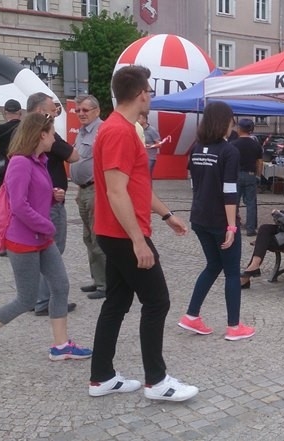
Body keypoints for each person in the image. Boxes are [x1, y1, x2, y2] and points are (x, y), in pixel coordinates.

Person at [87, 65, 198, 401]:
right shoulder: (119, 132)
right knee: (157, 301)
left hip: (115, 231)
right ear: (140, 94)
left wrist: (167, 215)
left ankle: (101, 377)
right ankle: (157, 381)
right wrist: (138, 240)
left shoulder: (119, 128)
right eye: (148, 90)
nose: (150, 95)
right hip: (123, 234)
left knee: (117, 302)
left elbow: (136, 186)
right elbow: (116, 191)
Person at [0, 112, 92, 367]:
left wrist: (53, 195)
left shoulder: (39, 160)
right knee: (26, 299)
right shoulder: (20, 162)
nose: (55, 138)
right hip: (23, 240)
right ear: (41, 135)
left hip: (41, 238)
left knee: (60, 286)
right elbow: (19, 205)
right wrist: (47, 225)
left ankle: (61, 345)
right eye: (52, 133)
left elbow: (33, 195)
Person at [178, 101, 255, 341]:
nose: (233, 123)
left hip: (199, 217)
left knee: (213, 265)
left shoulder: (196, 148)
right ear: (225, 121)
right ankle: (234, 326)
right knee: (232, 272)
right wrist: (231, 226)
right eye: (231, 119)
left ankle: (191, 315)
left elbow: (195, 183)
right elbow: (229, 190)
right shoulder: (229, 151)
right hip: (220, 220)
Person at [26, 93, 80, 316]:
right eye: (52, 110)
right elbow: (74, 156)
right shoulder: (45, 133)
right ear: (41, 112)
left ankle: (32, 298)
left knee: (38, 250)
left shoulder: (22, 132)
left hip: (40, 200)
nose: (56, 113)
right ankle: (44, 300)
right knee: (52, 250)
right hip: (49, 201)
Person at [240, 160, 284, 288]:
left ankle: (247, 275)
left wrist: (281, 212)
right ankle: (254, 266)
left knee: (263, 241)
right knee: (264, 229)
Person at [70, 95, 107, 300]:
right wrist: (79, 190)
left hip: (96, 190)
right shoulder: (82, 131)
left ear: (97, 111)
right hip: (84, 190)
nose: (81, 113)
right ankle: (97, 279)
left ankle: (105, 284)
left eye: (85, 110)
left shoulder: (102, 130)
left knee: (97, 237)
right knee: (88, 237)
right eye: (78, 110)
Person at [0, 99, 22, 206]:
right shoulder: (25, 128)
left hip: (4, 168)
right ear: (20, 112)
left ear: (5, 112)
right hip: (22, 167)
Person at [233, 118, 263, 236]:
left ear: (239, 129)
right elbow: (259, 162)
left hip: (236, 175)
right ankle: (250, 229)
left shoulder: (233, 144)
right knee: (251, 203)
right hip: (250, 175)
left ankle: (233, 226)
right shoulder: (256, 144)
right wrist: (258, 175)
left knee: (234, 202)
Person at [138, 112, 161, 177]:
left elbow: (159, 144)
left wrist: (150, 146)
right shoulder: (138, 129)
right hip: (140, 156)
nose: (137, 120)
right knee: (141, 176)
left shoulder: (152, 130)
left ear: (145, 120)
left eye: (139, 118)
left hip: (150, 157)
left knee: (147, 176)